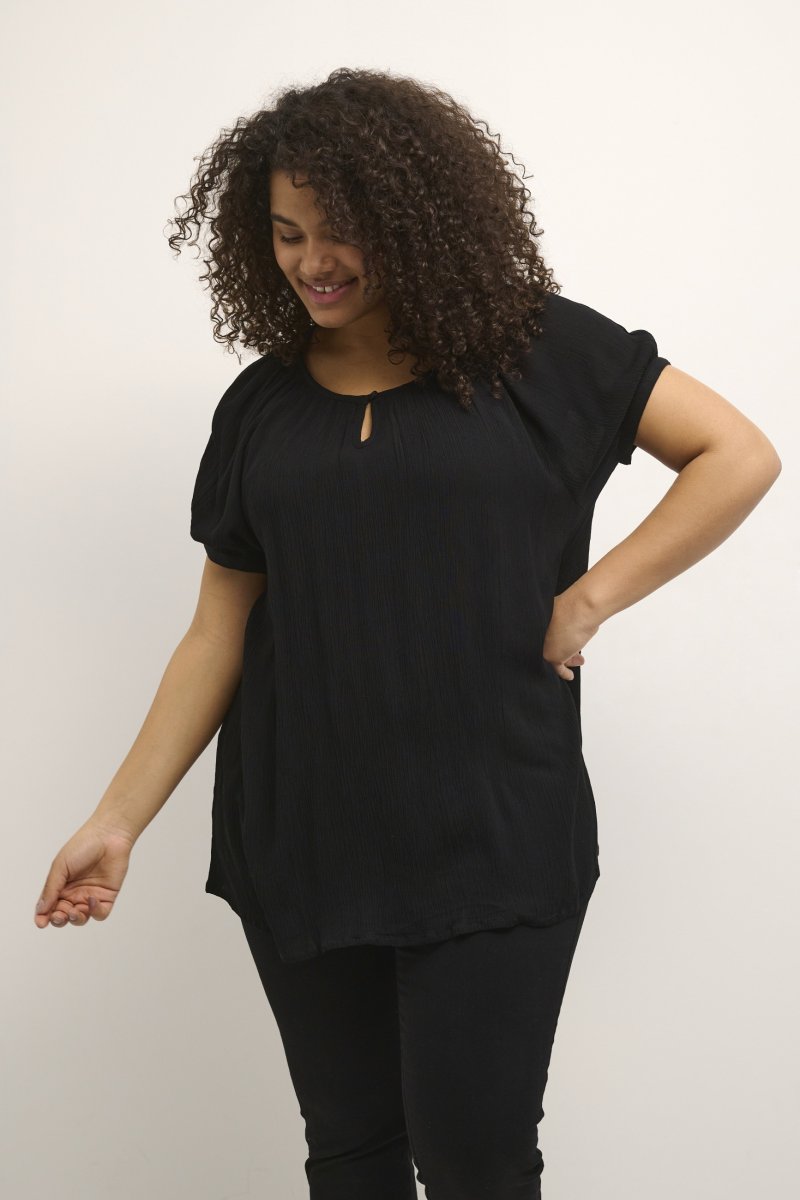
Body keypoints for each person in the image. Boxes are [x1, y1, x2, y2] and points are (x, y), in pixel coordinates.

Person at [33, 67, 781, 1199]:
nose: (312, 263)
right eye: (286, 234)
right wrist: (117, 820)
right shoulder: (262, 407)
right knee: (349, 1156)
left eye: (341, 231)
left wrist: (588, 599)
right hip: (302, 833)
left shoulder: (535, 354)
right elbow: (216, 635)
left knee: (476, 1158)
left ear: (414, 217)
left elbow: (738, 455)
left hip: (492, 826)